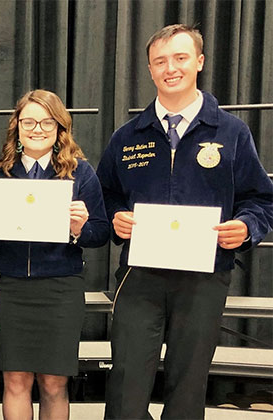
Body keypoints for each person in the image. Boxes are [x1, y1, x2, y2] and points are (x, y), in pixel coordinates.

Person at [96, 24, 273, 419]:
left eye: (180, 58)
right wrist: (114, 218)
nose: (170, 68)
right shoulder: (127, 136)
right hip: (139, 276)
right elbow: (104, 195)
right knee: (126, 376)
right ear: (149, 68)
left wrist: (246, 227)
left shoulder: (232, 132)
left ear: (200, 62)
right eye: (160, 61)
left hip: (204, 277)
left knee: (189, 379)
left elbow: (260, 199)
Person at [0, 89, 109, 420]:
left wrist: (79, 228)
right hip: (11, 288)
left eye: (47, 121)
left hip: (60, 288)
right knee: (15, 382)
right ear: (16, 126)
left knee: (53, 384)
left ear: (61, 127)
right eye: (28, 121)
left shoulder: (81, 174)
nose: (37, 128)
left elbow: (101, 233)